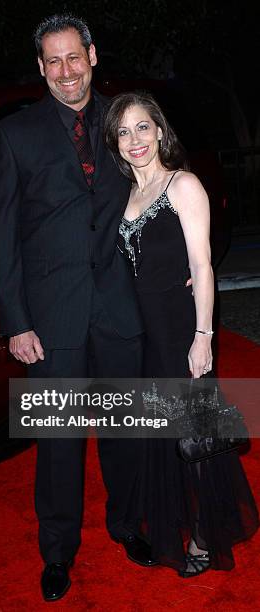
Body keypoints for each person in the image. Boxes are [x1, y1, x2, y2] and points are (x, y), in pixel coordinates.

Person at [0, 14, 155, 602]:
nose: (65, 71)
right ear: (40, 67)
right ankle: (57, 552)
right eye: (52, 61)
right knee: (57, 446)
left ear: (92, 56)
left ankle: (129, 525)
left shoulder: (123, 119)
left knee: (124, 432)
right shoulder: (16, 134)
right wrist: (15, 322)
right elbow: (1, 238)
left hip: (118, 307)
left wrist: (183, 273)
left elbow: (161, 190)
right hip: (49, 319)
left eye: (73, 58)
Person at [104, 91, 259, 576]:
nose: (135, 139)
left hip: (179, 328)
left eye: (143, 127)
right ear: (115, 141)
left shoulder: (183, 184)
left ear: (160, 130)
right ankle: (180, 521)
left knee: (195, 434)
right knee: (166, 434)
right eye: (124, 131)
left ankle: (204, 537)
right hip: (145, 334)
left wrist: (204, 335)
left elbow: (203, 264)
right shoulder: (125, 194)